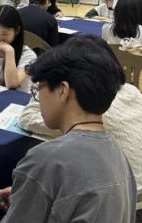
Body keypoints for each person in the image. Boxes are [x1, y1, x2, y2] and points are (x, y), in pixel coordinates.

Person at [0, 36, 137, 223]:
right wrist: (31, 198)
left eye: (39, 90)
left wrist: (30, 194)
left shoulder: (45, 160)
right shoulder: (119, 156)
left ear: (63, 91)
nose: (38, 98)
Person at [19, 35, 142, 186]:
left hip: (120, 190)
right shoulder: (131, 91)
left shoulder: (88, 110)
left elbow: (29, 119)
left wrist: (45, 85)